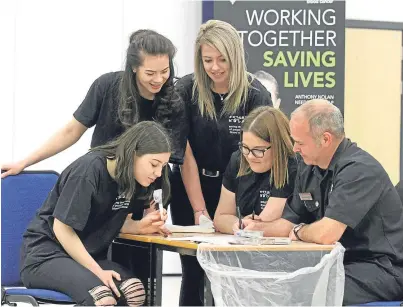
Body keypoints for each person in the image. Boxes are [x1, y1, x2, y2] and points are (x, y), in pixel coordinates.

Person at [242, 99, 403, 305]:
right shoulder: (308, 167)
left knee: (305, 289)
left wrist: (300, 231)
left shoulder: (360, 170)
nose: (295, 148)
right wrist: (255, 229)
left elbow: (326, 234)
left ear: (325, 139)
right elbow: (289, 223)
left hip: (381, 268)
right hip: (340, 263)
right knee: (273, 281)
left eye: (300, 142)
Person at [170, 20, 273, 306]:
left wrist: (231, 206)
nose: (214, 67)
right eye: (207, 60)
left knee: (233, 270)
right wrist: (199, 210)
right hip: (191, 188)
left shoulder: (256, 94)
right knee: (194, 269)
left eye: (222, 59)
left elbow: (256, 156)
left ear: (235, 57)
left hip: (238, 188)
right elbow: (185, 155)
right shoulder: (186, 90)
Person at [20, 121, 172, 306]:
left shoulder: (133, 179)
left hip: (83, 257)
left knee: (134, 292)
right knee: (102, 297)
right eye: (154, 164)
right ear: (133, 153)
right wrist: (97, 271)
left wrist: (140, 227)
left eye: (162, 166)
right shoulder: (89, 170)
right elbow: (62, 228)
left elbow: (110, 220)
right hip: (46, 256)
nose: (158, 173)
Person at [2, 29, 186, 178]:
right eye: (150, 73)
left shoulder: (174, 101)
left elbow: (165, 161)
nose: (159, 79)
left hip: (146, 188)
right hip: (103, 181)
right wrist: (24, 162)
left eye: (165, 71)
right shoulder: (106, 86)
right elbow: (71, 131)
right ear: (133, 67)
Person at [214, 106, 297, 234]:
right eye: (245, 147)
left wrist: (248, 226)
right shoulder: (238, 159)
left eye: (258, 150)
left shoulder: (291, 167)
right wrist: (237, 224)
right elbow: (220, 218)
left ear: (279, 146)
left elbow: (263, 223)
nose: (250, 156)